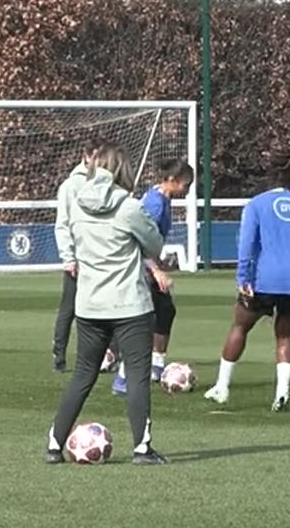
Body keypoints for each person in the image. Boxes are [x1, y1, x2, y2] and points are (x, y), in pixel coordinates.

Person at [45, 142, 167, 465]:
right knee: (138, 375)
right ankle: (142, 448)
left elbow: (68, 237)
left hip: (89, 305)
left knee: (82, 375)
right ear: (122, 170)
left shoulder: (77, 204)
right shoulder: (129, 207)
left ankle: (55, 444)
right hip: (130, 305)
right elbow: (155, 244)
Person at [204, 150, 290, 411]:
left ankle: (222, 387)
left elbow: (247, 245)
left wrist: (242, 277)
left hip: (265, 275)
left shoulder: (256, 204)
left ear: (268, 174)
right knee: (286, 334)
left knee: (240, 326)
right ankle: (282, 394)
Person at [112, 159, 193, 394]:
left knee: (165, 310)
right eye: (186, 184)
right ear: (172, 180)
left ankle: (155, 365)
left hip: (148, 264)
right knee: (142, 321)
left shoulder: (162, 199)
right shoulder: (155, 204)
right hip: (138, 267)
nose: (187, 190)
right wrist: (155, 269)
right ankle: (123, 377)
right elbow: (138, 240)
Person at [51, 138, 101, 373]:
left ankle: (106, 355)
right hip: (79, 258)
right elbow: (62, 224)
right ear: (87, 156)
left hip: (99, 257)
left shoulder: (104, 182)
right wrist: (68, 257)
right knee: (69, 308)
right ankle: (58, 355)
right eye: (97, 157)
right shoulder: (71, 186)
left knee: (103, 306)